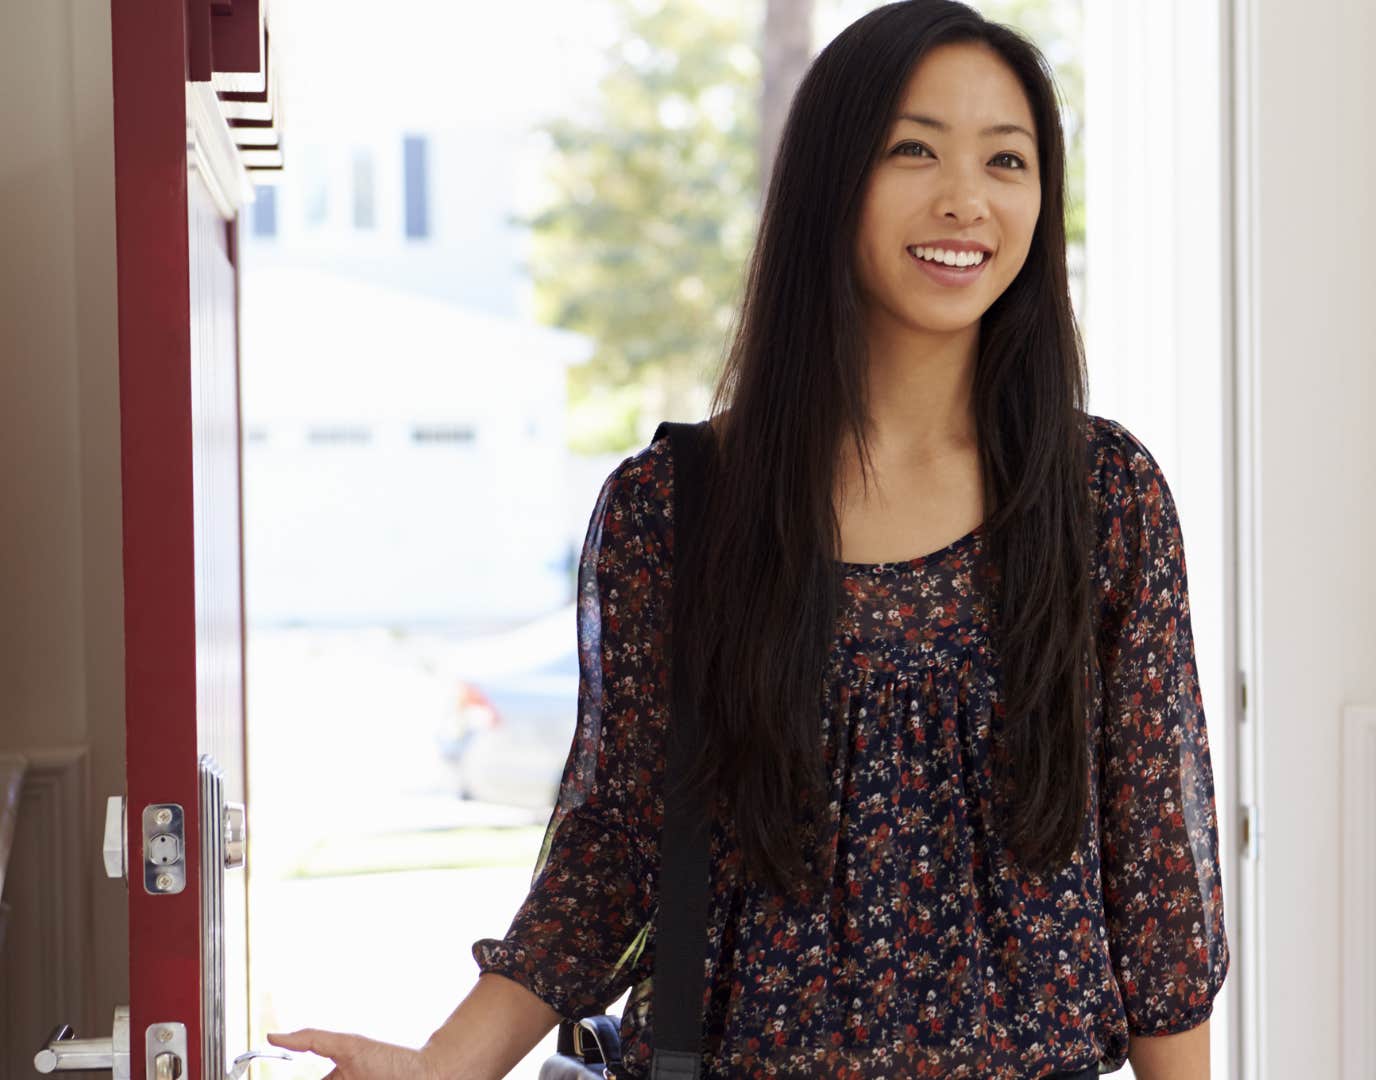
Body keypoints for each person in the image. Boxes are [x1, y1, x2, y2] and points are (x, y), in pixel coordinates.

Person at [265, 1, 1227, 1076]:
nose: (966, 199)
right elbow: (616, 847)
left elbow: (1156, 883)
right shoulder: (679, 509)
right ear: (829, 179)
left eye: (1008, 161)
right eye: (914, 150)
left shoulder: (1103, 500)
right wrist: (448, 1064)